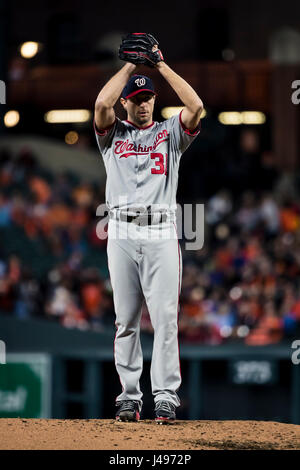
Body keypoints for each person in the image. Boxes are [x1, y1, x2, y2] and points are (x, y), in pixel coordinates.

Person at [94, 33, 203, 424]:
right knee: (125, 320)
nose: (143, 104)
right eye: (136, 99)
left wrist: (157, 64)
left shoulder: (169, 134)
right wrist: (128, 67)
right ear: (127, 102)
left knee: (165, 318)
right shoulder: (112, 137)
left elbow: (196, 106)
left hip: (160, 232)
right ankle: (129, 396)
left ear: (155, 101)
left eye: (148, 98)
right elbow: (100, 104)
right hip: (121, 232)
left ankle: (166, 396)